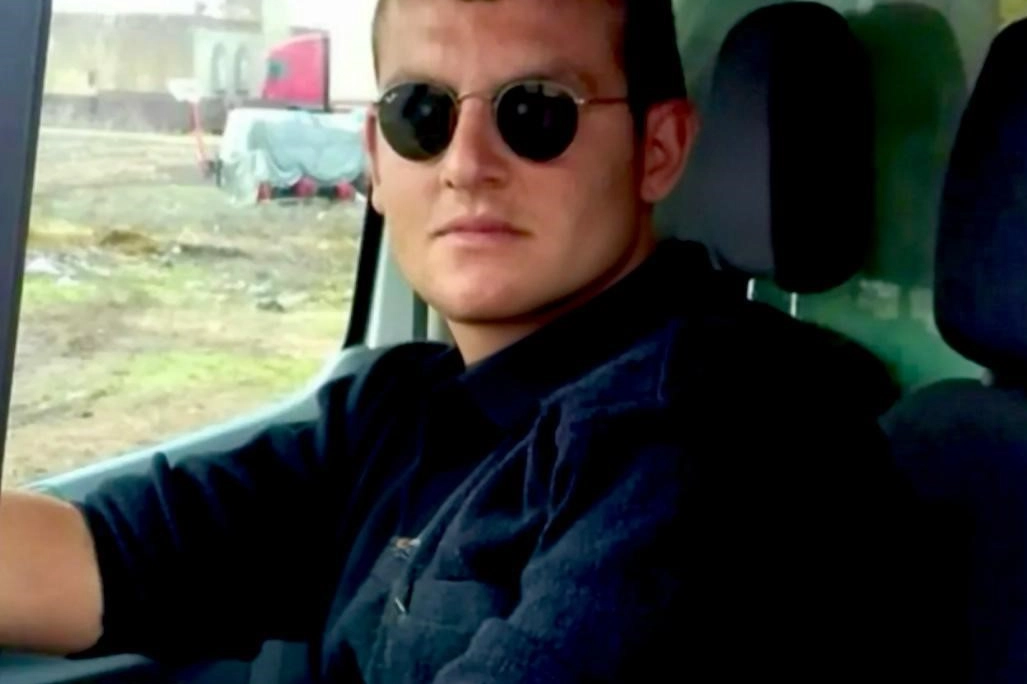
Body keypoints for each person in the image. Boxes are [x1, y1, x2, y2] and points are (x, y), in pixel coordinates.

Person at [0, 1, 919, 682]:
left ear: (658, 150)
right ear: (376, 154)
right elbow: (103, 558)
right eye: (421, 113)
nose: (467, 164)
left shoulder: (722, 433)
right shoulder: (402, 408)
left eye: (536, 109)